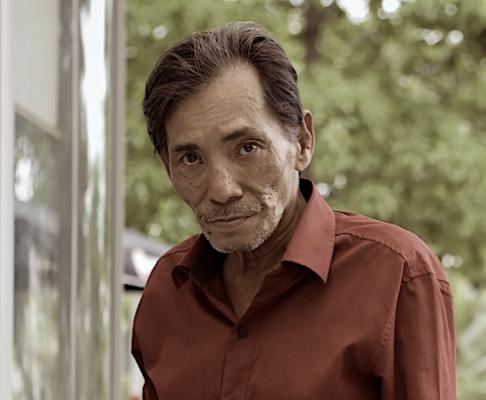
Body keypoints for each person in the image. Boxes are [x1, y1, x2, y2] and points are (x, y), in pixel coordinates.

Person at [131, 21, 456, 400]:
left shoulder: (398, 273)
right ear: (167, 167)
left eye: (247, 148)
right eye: (191, 158)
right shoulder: (167, 290)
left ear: (302, 142)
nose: (221, 190)